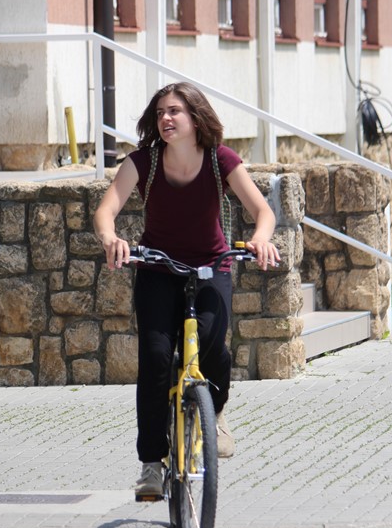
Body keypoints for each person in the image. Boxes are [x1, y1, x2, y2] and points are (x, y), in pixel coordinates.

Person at [93, 82, 280, 498]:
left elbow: (262, 211)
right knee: (156, 358)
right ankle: (151, 463)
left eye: (174, 111)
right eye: (160, 112)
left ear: (196, 118)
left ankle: (216, 412)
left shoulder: (219, 159)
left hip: (211, 265)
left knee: (212, 343)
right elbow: (106, 210)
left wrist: (261, 238)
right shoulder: (143, 162)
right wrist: (111, 238)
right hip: (158, 268)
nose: (166, 118)